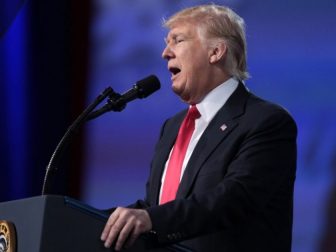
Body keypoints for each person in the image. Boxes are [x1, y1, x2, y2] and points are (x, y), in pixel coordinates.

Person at [101, 4, 297, 252]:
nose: (165, 53)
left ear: (215, 52)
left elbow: (234, 198)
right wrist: (99, 221)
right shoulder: (172, 127)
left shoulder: (266, 121)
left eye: (177, 40)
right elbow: (157, 205)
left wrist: (151, 219)